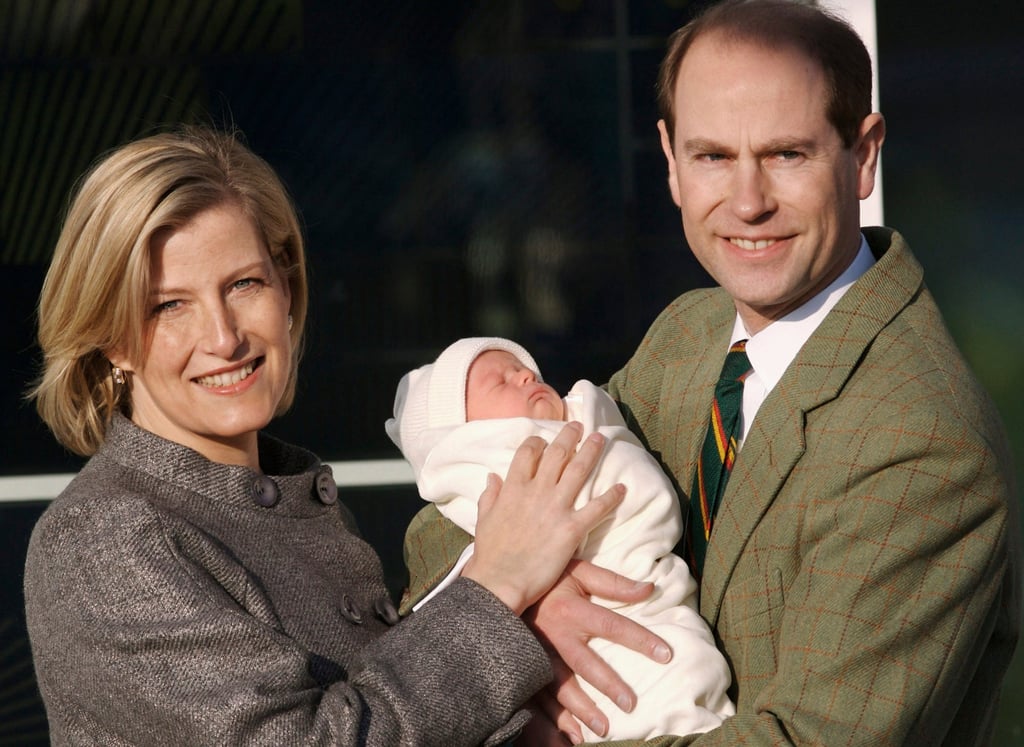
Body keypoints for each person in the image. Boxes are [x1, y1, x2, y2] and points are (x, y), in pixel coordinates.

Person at [403, 1, 1021, 745]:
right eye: (713, 157)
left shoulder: (920, 442)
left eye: (786, 154)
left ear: (863, 155)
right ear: (668, 160)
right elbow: (458, 498)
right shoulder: (688, 335)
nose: (749, 202)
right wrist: (526, 602)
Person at [22, 126, 634, 746]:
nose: (225, 336)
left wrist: (528, 646)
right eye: (168, 306)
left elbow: (389, 703)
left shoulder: (286, 497)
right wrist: (499, 587)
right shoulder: (103, 538)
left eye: (244, 284)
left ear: (285, 289)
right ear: (114, 340)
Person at [386, 336, 735, 741]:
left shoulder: (594, 417)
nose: (524, 376)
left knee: (683, 668)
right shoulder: (485, 467)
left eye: (528, 372)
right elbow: (447, 547)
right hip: (601, 660)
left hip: (651, 601)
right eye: (500, 382)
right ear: (460, 435)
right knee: (658, 684)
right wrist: (517, 604)